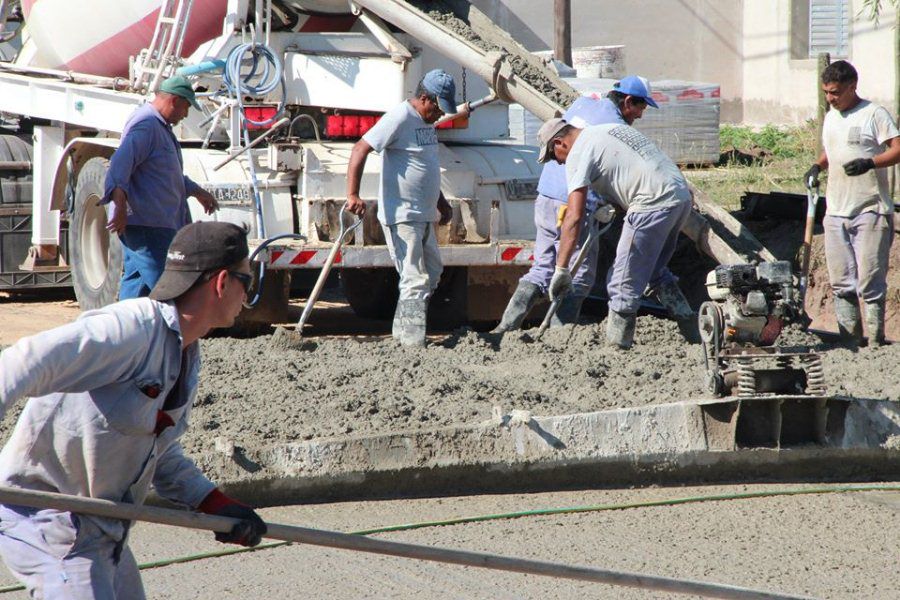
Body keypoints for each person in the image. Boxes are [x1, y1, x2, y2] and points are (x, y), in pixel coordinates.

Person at [0, 221, 266, 599]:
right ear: (222, 282)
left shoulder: (185, 353)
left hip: (103, 531)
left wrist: (213, 503)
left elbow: (157, 450)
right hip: (50, 521)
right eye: (247, 283)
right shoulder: (129, 331)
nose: (247, 297)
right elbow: (20, 361)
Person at [494, 75, 658, 332]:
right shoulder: (615, 128)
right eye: (641, 107)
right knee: (578, 276)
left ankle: (505, 328)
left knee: (541, 268)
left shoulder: (583, 103)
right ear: (627, 102)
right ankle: (560, 335)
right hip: (575, 203)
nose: (640, 115)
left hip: (547, 197)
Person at [539, 117, 695, 349]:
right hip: (680, 197)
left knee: (622, 282)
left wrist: (561, 270)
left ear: (560, 143)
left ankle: (616, 349)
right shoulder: (608, 129)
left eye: (554, 158)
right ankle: (693, 331)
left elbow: (573, 217)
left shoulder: (577, 153)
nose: (558, 164)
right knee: (654, 272)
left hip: (650, 203)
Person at [345, 69, 456, 346]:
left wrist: (441, 202)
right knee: (414, 277)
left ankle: (403, 332)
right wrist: (353, 194)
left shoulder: (426, 122)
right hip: (403, 214)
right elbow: (360, 148)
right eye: (438, 108)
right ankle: (411, 344)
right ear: (424, 98)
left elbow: (426, 165)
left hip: (426, 213)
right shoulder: (400, 117)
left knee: (432, 273)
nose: (441, 115)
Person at [804, 60, 900, 346]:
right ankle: (850, 341)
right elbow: (831, 149)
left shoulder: (874, 114)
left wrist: (870, 163)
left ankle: (875, 342)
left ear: (851, 86)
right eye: (826, 93)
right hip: (835, 212)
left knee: (870, 281)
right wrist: (817, 166)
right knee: (841, 282)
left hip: (870, 210)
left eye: (835, 92)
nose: (830, 98)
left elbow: (897, 148)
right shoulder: (831, 117)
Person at [105, 75, 220, 300]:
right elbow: (119, 166)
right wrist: (119, 207)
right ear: (175, 101)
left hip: (153, 223)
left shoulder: (160, 127)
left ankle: (129, 333)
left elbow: (164, 175)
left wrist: (197, 191)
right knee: (171, 290)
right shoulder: (146, 125)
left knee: (137, 287)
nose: (185, 115)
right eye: (186, 107)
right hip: (148, 225)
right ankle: (181, 333)